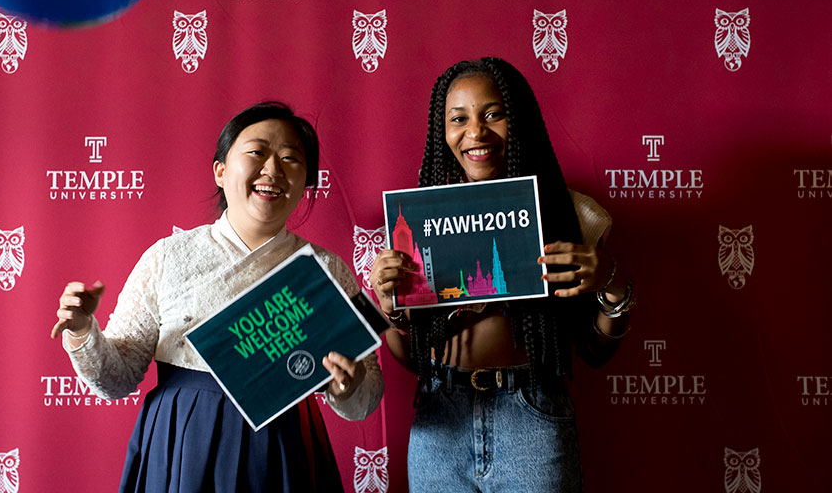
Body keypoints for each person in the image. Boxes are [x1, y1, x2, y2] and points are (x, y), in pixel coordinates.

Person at [52, 102, 383, 493]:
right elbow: (117, 379)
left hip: (284, 445)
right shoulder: (169, 257)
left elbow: (366, 395)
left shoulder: (326, 270)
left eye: (291, 158)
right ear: (221, 171)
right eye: (258, 152)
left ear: (306, 180)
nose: (273, 170)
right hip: (182, 438)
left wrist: (348, 385)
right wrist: (82, 332)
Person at [369, 58, 635, 492]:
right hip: (441, 419)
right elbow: (415, 360)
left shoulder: (575, 216)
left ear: (520, 118)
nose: (475, 132)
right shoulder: (416, 223)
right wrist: (391, 309)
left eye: (493, 114)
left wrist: (610, 279)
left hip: (530, 416)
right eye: (459, 119)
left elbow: (596, 351)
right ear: (443, 132)